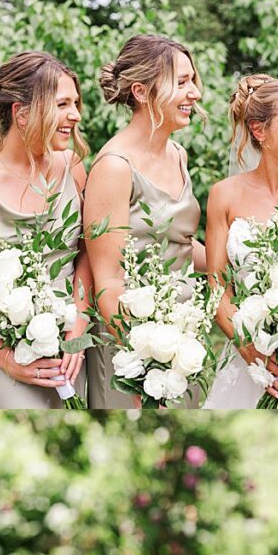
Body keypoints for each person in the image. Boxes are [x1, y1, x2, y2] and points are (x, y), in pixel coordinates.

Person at [0, 51, 92, 407]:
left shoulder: (73, 166)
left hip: (71, 342)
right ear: (21, 114)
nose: (76, 115)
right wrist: (7, 359)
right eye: (62, 104)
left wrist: (77, 334)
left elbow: (87, 256)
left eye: (75, 103)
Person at [84, 34, 205, 408]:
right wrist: (146, 366)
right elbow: (107, 282)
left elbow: (181, 245)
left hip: (183, 337)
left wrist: (243, 263)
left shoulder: (178, 154)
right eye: (181, 83)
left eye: (192, 81)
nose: (195, 93)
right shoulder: (115, 167)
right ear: (141, 91)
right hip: (132, 350)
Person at [203, 75, 278, 408]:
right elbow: (218, 289)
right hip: (250, 363)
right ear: (259, 130)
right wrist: (250, 349)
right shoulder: (224, 195)